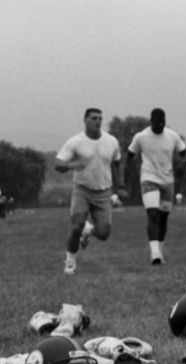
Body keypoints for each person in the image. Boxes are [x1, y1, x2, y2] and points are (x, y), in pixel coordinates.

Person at [53, 107, 124, 276]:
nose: (97, 121)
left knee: (104, 233)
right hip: (82, 190)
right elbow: (58, 164)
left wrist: (120, 185)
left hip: (103, 191)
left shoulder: (111, 141)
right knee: (76, 225)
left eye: (100, 118)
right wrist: (72, 165)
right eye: (93, 118)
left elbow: (117, 163)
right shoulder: (75, 142)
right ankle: (70, 261)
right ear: (85, 120)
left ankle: (88, 231)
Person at [126, 108, 186, 265]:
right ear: (151, 121)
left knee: (163, 217)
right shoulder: (141, 137)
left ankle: (159, 252)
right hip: (148, 178)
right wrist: (130, 174)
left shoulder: (172, 136)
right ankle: (154, 253)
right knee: (153, 214)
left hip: (168, 181)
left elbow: (184, 153)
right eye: (157, 122)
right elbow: (129, 155)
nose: (160, 125)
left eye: (163, 122)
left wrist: (182, 165)